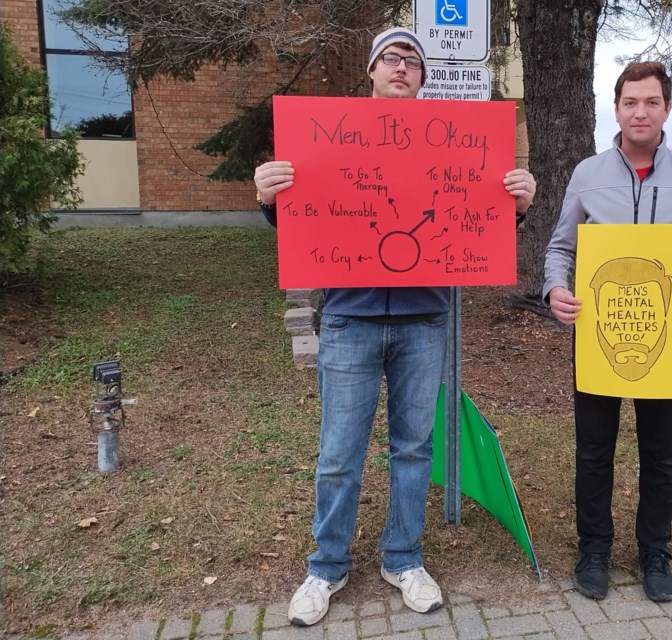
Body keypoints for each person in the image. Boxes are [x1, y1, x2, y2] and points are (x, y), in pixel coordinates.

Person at [253, 27, 536, 627]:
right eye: (391, 59)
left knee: (414, 448)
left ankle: (403, 558)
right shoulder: (326, 143)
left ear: (423, 79)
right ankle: (326, 566)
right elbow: (304, 227)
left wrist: (517, 202)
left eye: (412, 61)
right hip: (350, 319)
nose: (402, 68)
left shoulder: (453, 147)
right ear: (373, 72)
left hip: (423, 321)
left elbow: (479, 227)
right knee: (338, 453)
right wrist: (268, 197)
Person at [542, 61, 672, 603]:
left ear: (666, 109)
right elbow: (561, 247)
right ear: (617, 108)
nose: (640, 112)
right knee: (594, 448)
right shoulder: (588, 173)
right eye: (630, 102)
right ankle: (594, 549)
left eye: (651, 102)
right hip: (599, 332)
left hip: (663, 336)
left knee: (661, 450)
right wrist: (555, 289)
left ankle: (655, 551)